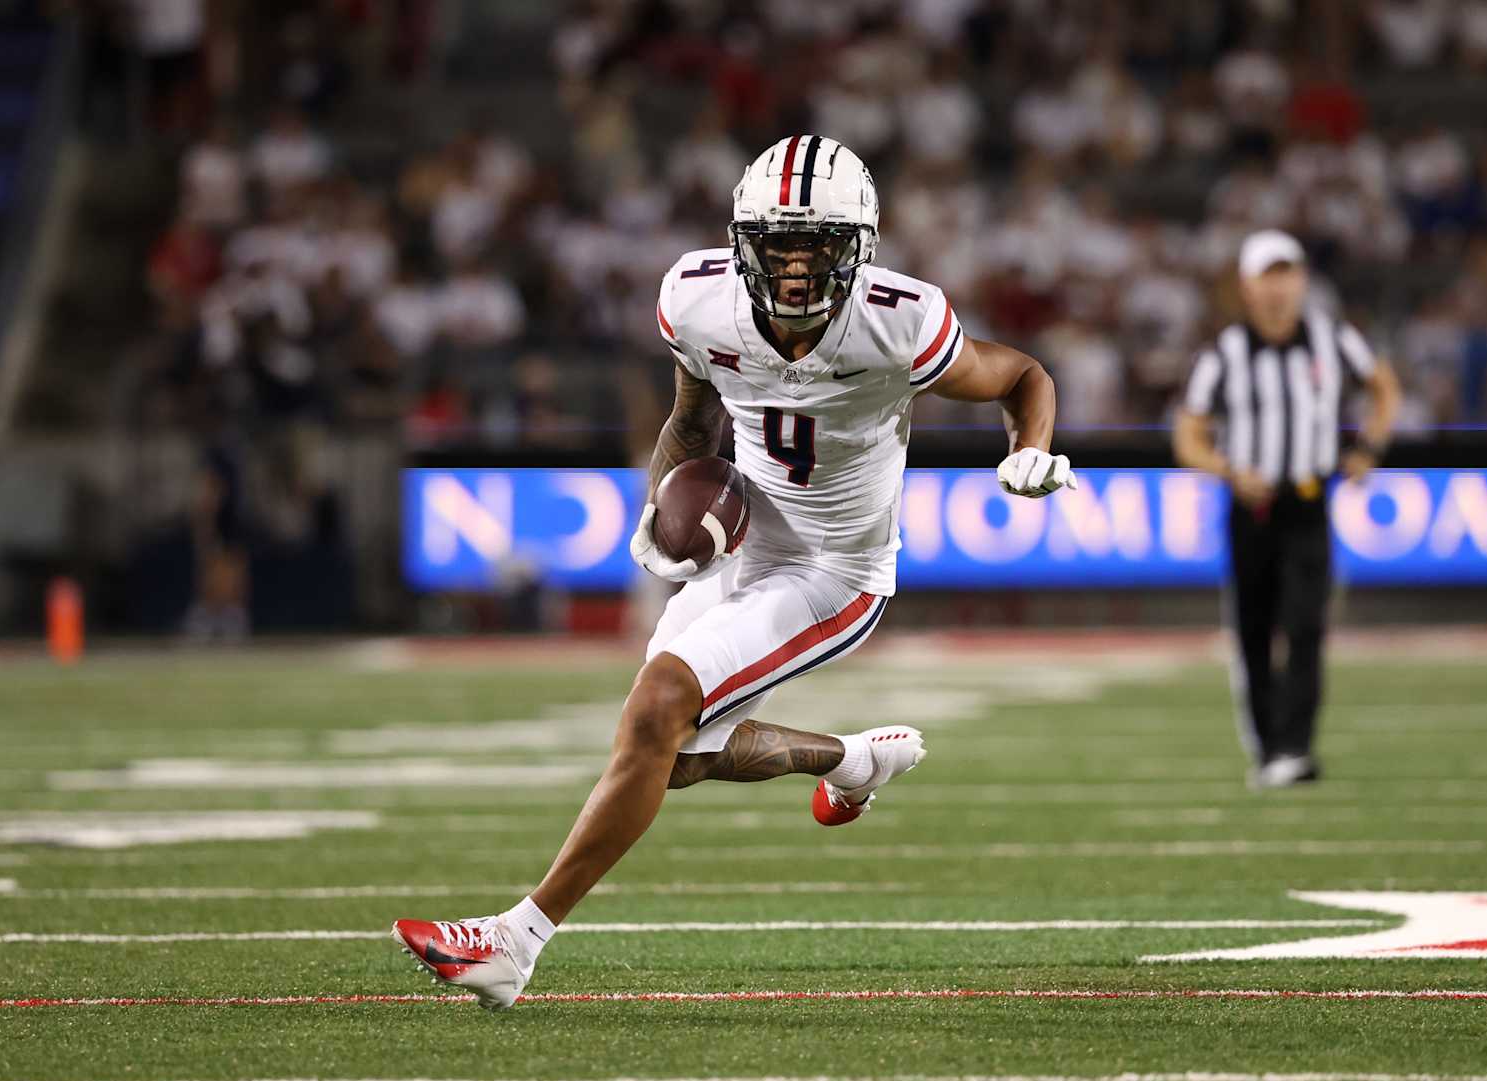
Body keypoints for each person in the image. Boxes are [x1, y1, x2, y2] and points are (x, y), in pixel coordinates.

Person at [392, 135, 1078, 1009]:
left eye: (816, 245)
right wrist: (661, 512)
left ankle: (513, 942)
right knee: (665, 757)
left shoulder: (900, 320)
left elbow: (1022, 373)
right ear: (743, 241)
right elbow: (690, 421)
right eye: (778, 244)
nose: (795, 268)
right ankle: (848, 760)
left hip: (837, 571)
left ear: (857, 249)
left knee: (657, 712)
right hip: (748, 543)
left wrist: (1031, 450)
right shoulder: (698, 300)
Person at [1172, 230, 1402, 789]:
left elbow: (1384, 387)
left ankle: (1295, 749)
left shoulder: (1332, 338)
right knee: (1254, 630)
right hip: (1251, 508)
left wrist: (1368, 447)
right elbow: (1188, 435)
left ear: (1302, 279)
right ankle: (1270, 746)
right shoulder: (1225, 353)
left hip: (1307, 500)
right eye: (1267, 275)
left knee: (1305, 624)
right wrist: (1229, 471)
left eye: (1288, 272)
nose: (1279, 286)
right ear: (1247, 287)